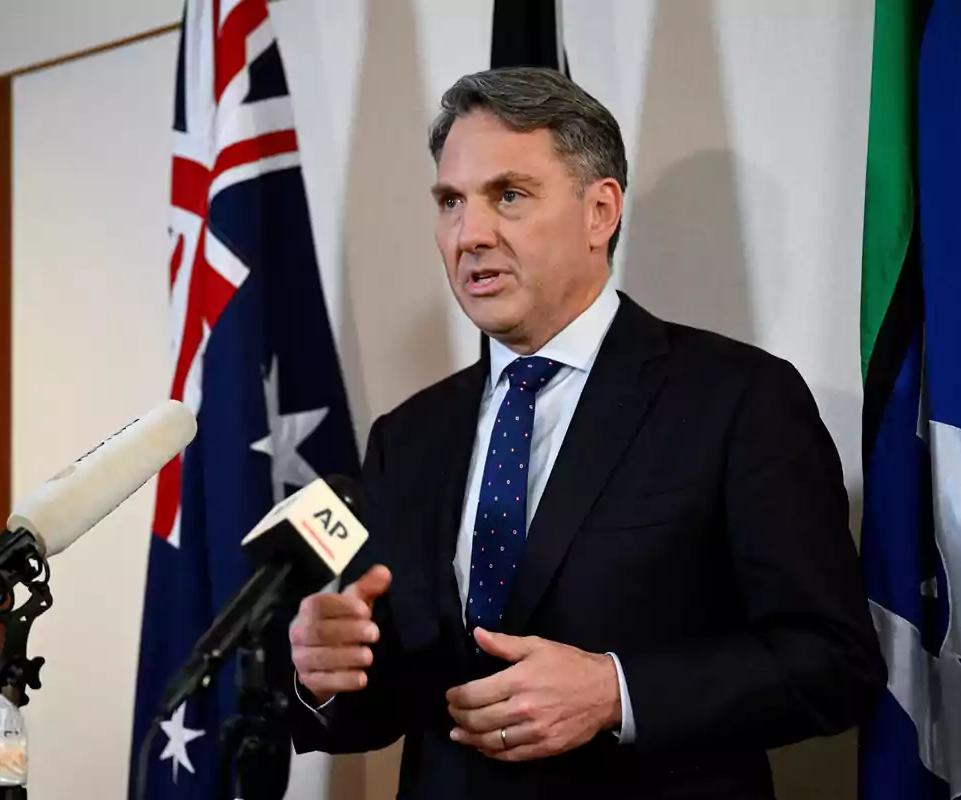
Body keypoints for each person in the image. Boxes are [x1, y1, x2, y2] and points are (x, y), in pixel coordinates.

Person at [286, 66, 886, 799]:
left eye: (508, 195)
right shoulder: (406, 437)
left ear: (600, 211)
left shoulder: (738, 400)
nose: (469, 234)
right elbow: (387, 700)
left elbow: (834, 662)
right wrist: (326, 673)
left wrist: (616, 692)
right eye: (450, 202)